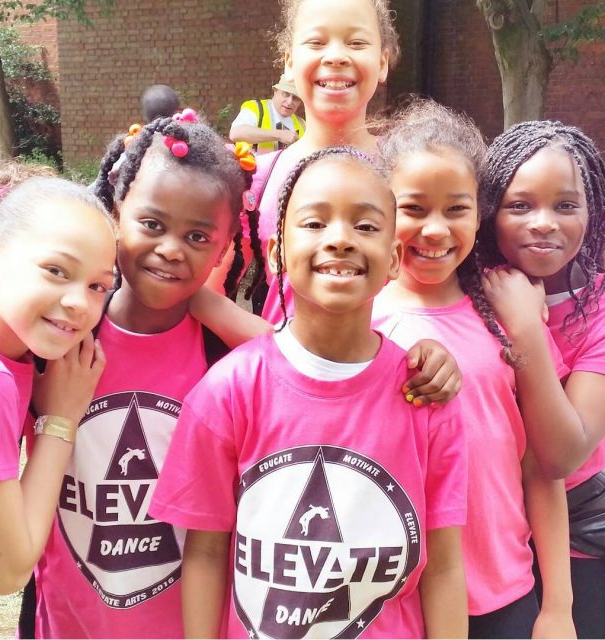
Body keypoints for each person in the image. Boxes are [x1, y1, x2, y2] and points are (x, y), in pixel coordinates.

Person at [151, 147, 468, 639]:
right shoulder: (227, 392)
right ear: (277, 253)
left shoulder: (425, 396)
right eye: (314, 223)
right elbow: (207, 552)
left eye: (365, 227)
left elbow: (445, 567)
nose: (339, 239)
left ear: (393, 258)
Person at [31, 112, 259, 639]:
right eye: (151, 225)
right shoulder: (59, 336)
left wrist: (218, 310)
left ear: (226, 248)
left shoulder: (225, 354)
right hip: (68, 622)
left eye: (198, 236)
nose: (171, 248)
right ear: (116, 213)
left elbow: (303, 364)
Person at [372, 100, 575, 638]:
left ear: (479, 212)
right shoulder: (358, 320)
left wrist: (558, 606)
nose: (435, 230)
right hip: (395, 604)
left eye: (456, 209)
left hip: (505, 595)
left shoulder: (508, 311)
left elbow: (538, 469)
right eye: (413, 208)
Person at [0, 175, 116, 638]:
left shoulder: (0, 355)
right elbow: (6, 570)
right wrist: (61, 421)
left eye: (98, 286)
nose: (78, 303)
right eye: (56, 270)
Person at [477, 120, 605, 638]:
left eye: (566, 205)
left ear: (592, 211)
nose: (545, 223)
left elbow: (562, 453)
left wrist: (528, 329)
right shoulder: (465, 296)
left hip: (582, 547)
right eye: (520, 205)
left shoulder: (598, 309)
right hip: (491, 539)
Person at [218, 0, 397, 324]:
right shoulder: (254, 178)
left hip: (395, 372)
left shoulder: (410, 173)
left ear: (382, 62)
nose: (337, 55)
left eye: (356, 42)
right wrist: (270, 349)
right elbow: (208, 293)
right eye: (316, 42)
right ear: (289, 62)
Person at [229, 74, 305, 154]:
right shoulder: (255, 108)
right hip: (252, 165)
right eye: (285, 94)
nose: (289, 102)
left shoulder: (302, 124)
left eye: (296, 98)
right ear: (275, 91)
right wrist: (280, 135)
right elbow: (235, 133)